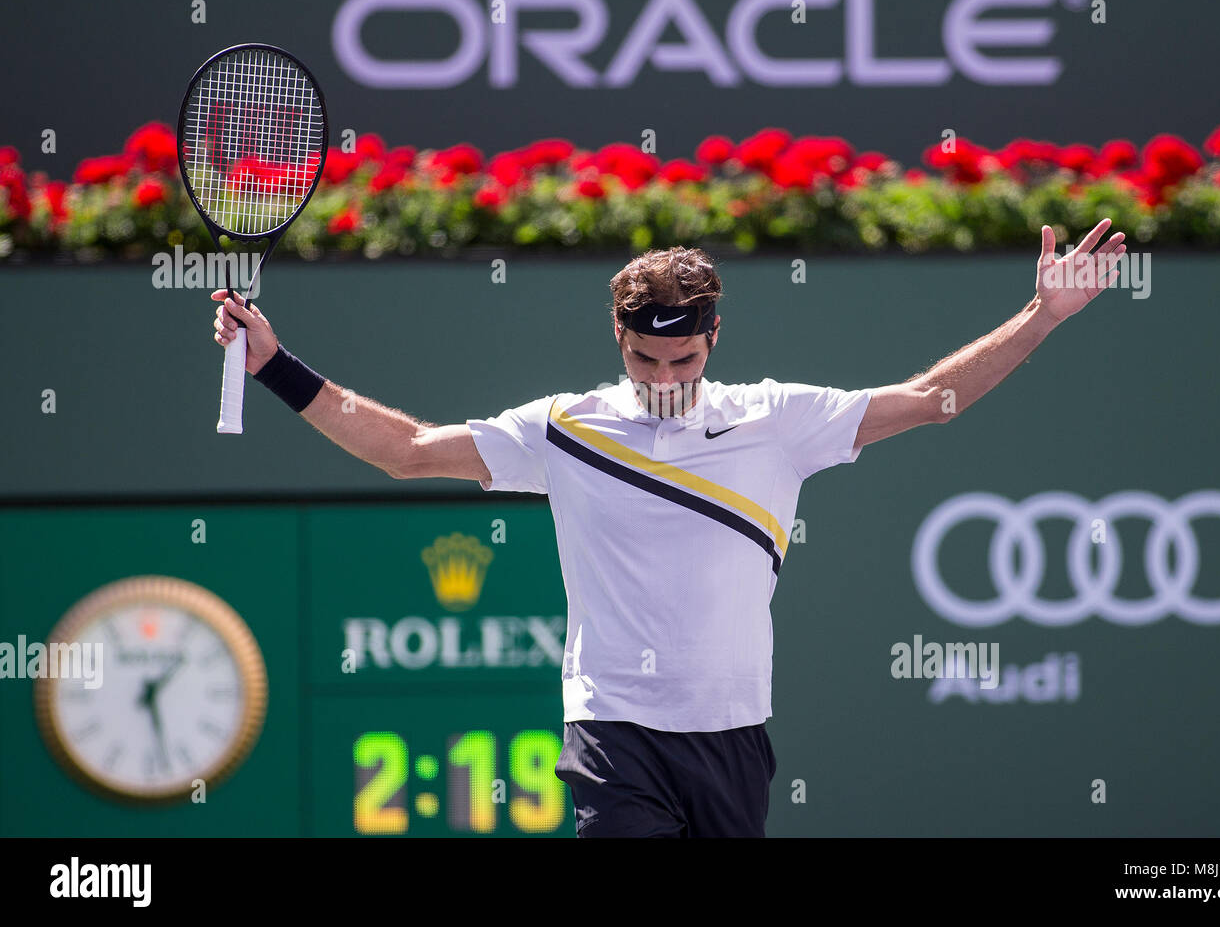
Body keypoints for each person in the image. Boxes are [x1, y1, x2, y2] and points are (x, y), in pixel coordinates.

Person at [211, 221, 1125, 837]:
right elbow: (408, 450)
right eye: (645, 358)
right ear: (618, 338)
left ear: (714, 336)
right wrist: (275, 367)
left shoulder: (779, 419)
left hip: (734, 735)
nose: (663, 376)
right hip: (615, 730)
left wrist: (1044, 313)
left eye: (682, 356)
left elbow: (933, 401)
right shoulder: (564, 428)